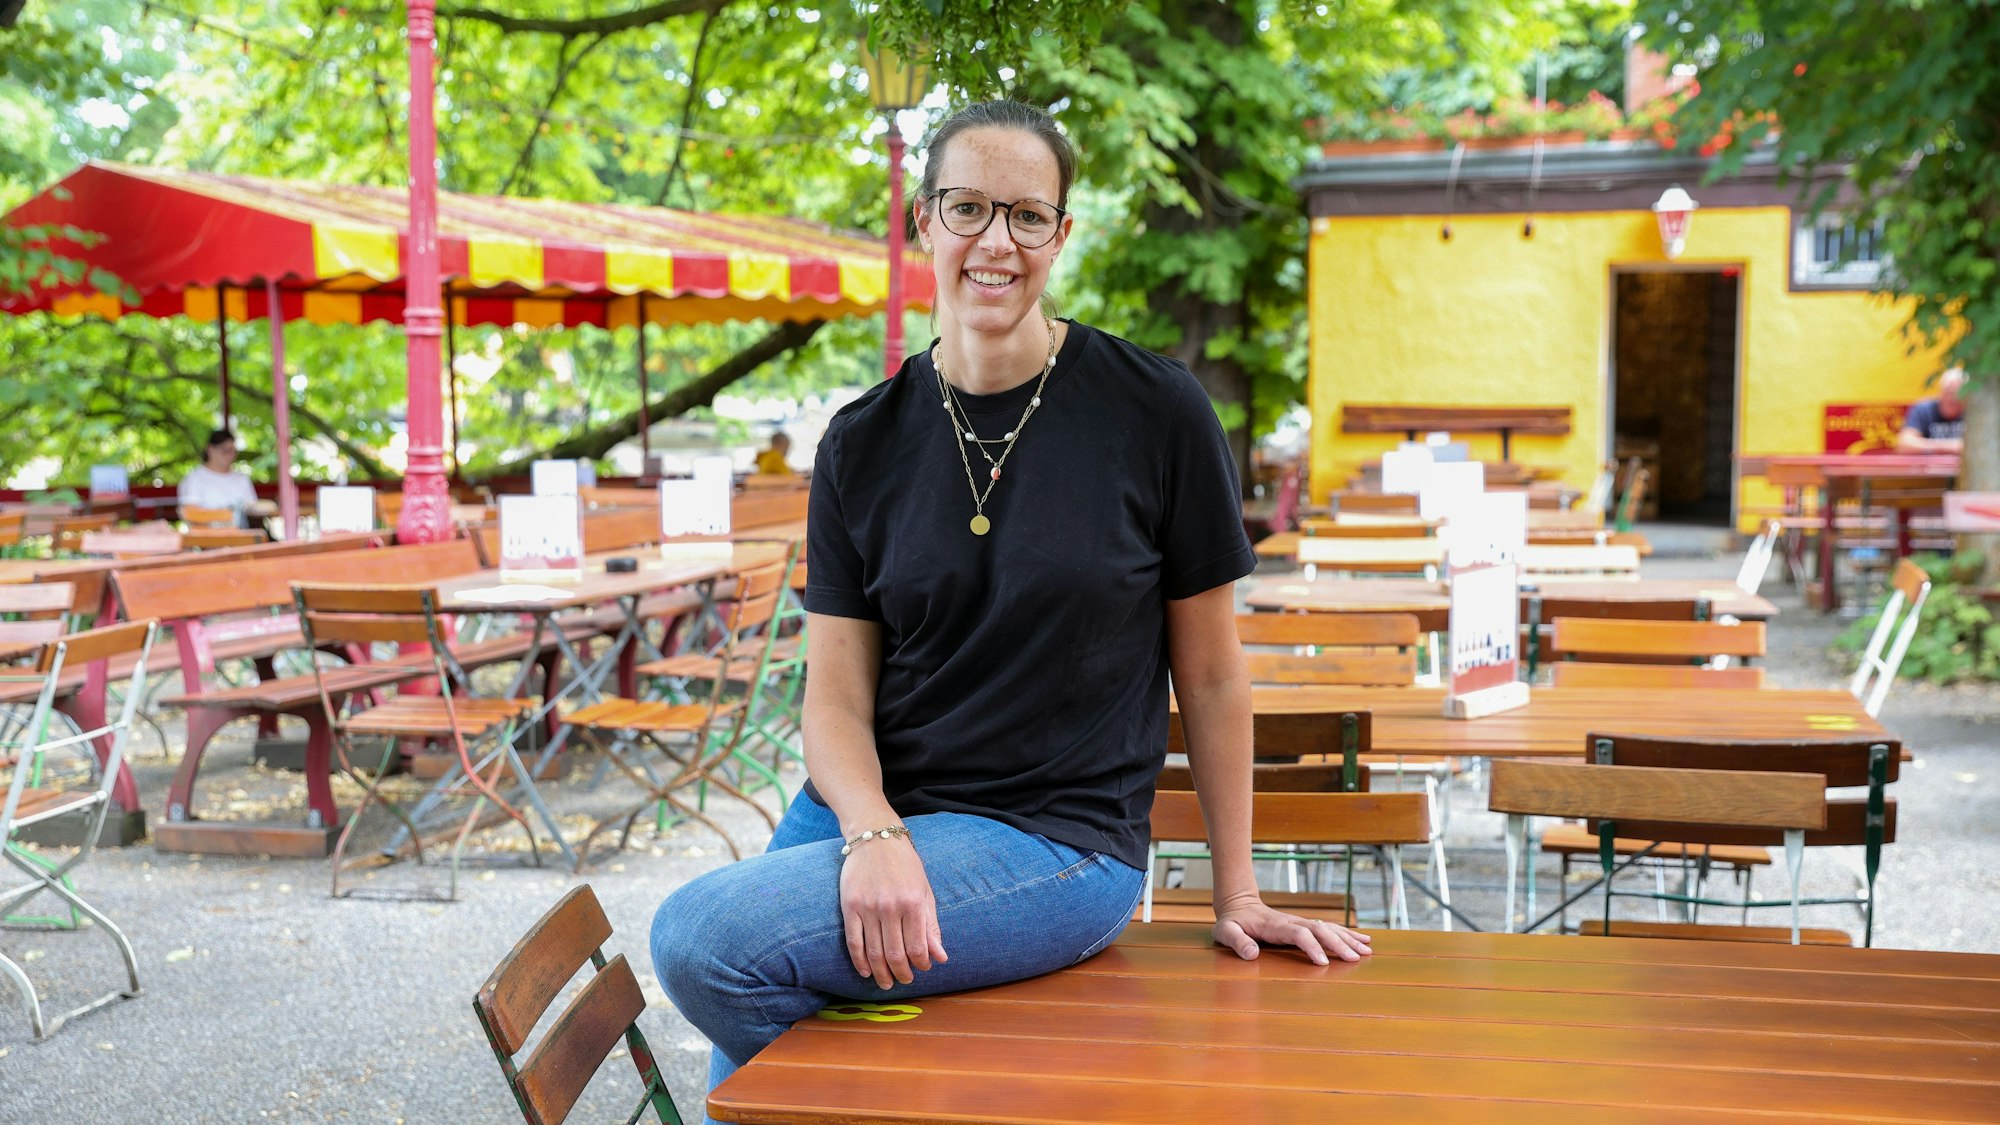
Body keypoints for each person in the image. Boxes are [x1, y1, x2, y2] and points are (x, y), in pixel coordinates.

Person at [651, 100, 1369, 1120]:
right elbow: (833, 704)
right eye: (968, 208)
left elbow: (1209, 677)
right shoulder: (858, 441)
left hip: (1053, 842)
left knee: (705, 944)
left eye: (1027, 216)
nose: (996, 241)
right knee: (746, 997)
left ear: (1062, 235)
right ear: (921, 221)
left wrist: (1236, 892)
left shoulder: (1157, 412)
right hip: (866, 811)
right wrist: (871, 833)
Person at [176, 429, 257, 523]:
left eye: (233, 451)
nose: (230, 455)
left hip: (243, 535)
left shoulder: (242, 479)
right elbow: (190, 513)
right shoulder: (194, 479)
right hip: (208, 536)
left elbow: (254, 510)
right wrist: (228, 515)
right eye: (225, 450)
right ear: (210, 449)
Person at [1897, 366, 1966, 453]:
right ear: (1940, 392)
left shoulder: (1974, 412)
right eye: (1948, 392)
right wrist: (1950, 446)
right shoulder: (1923, 410)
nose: (1952, 398)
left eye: (1959, 394)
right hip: (1928, 466)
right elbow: (1904, 444)